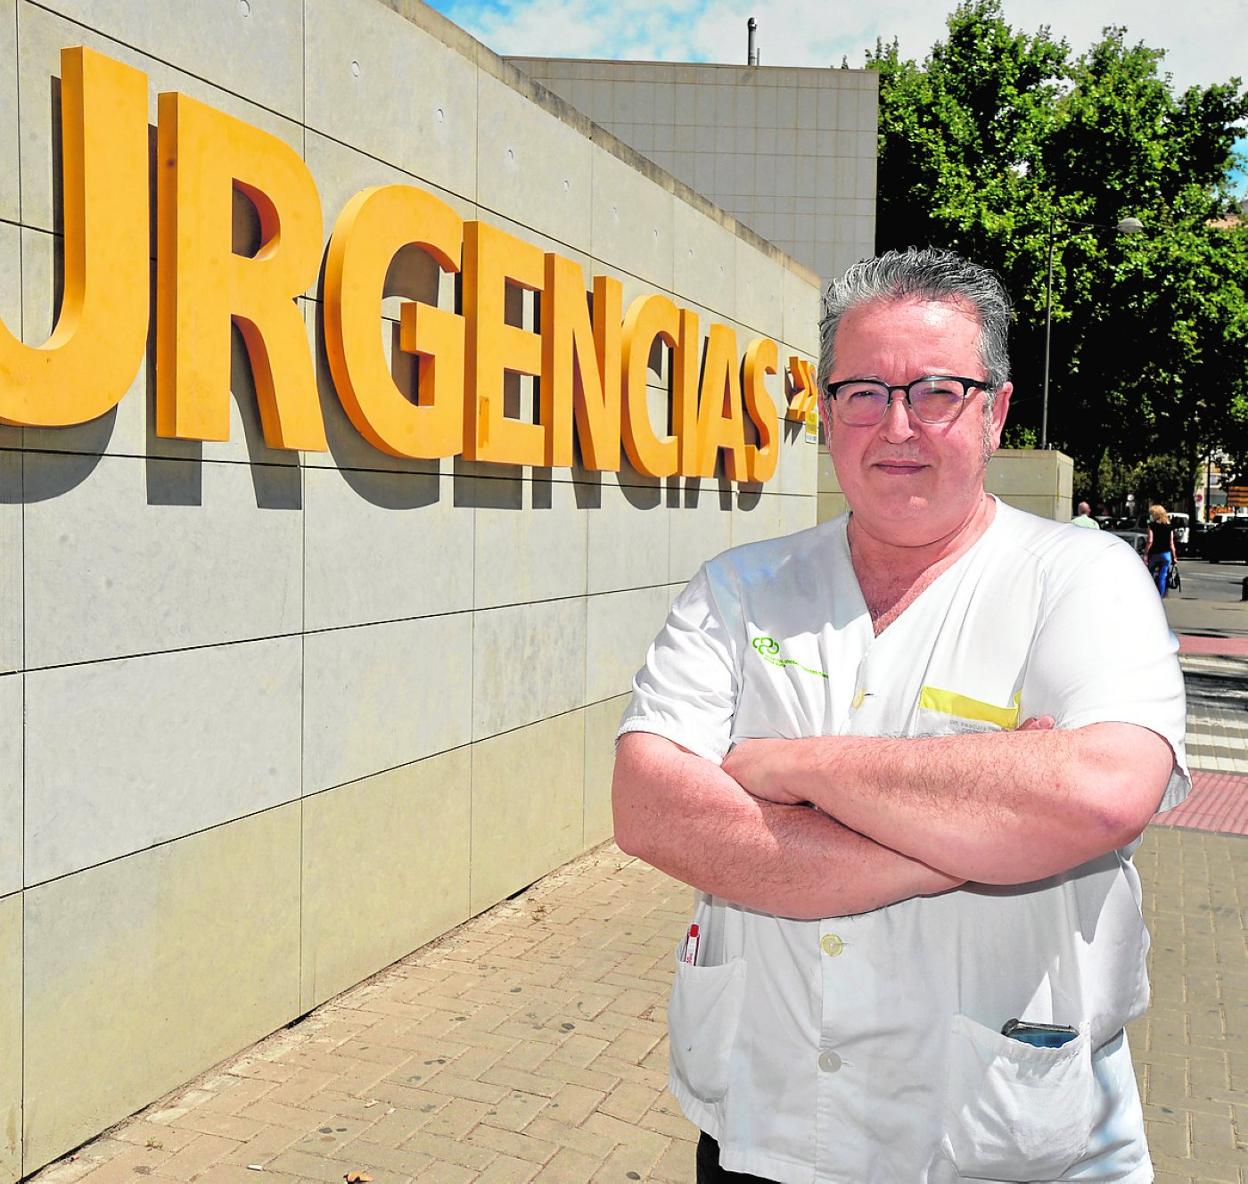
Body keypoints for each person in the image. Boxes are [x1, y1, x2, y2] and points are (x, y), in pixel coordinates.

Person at [613, 248, 1188, 1184]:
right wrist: (981, 829)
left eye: (937, 390)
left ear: (996, 410)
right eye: (864, 392)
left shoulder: (1082, 579)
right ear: (825, 410)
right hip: (765, 1127)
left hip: (1006, 1142)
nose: (898, 426)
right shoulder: (740, 589)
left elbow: (1095, 797)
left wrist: (787, 770)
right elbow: (650, 810)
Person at [1145, 504, 1178, 598]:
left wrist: (1145, 554)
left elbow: (1150, 541)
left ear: (1155, 514)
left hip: (1155, 553)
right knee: (1163, 576)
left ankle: (1149, 593)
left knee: (1148, 574)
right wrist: (1174, 557)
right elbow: (1172, 543)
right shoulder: (1169, 526)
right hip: (1166, 554)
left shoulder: (1152, 526)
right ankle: (1160, 596)